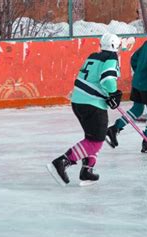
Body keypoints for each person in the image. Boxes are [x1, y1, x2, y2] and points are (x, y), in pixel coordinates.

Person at [47, 33, 122, 186]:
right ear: (114, 46)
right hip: (91, 104)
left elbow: (92, 79)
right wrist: (113, 93)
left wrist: (108, 95)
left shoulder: (93, 56)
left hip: (79, 102)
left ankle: (87, 170)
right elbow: (107, 79)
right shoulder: (111, 59)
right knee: (95, 141)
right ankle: (62, 162)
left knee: (93, 138)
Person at [106, 22, 147, 153]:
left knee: (137, 109)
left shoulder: (146, 44)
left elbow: (134, 59)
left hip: (137, 83)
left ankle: (114, 128)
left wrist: (140, 73)